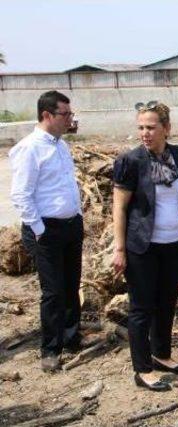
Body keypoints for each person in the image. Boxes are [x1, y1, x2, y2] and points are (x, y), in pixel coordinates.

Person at [111, 101, 178, 391]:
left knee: (167, 304)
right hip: (142, 247)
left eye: (151, 127)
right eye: (141, 127)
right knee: (141, 308)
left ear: (166, 128)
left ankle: (162, 354)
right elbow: (120, 208)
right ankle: (143, 369)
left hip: (176, 244)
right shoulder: (130, 161)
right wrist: (119, 249)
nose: (145, 133)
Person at [10, 90, 84, 372]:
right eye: (65, 115)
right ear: (47, 115)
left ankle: (71, 336)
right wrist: (40, 230)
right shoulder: (30, 148)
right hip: (46, 230)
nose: (70, 120)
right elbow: (21, 195)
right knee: (52, 291)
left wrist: (76, 215)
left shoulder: (60, 145)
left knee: (71, 283)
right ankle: (50, 348)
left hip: (70, 226)